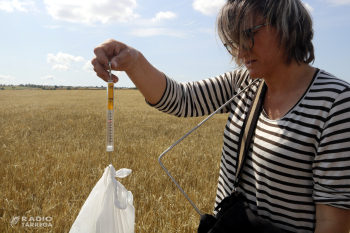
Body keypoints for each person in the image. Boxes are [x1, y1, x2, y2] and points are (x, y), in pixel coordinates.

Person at [91, 0, 350, 232]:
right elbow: (182, 99)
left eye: (248, 35)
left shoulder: (336, 103)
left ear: (286, 25)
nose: (240, 52)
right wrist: (134, 61)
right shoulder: (244, 84)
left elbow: (333, 223)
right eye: (234, 42)